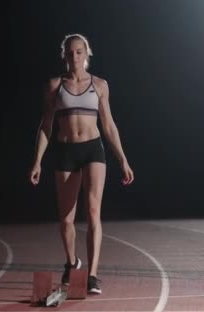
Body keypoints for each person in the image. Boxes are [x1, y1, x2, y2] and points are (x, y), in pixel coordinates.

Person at [29, 33, 134, 294]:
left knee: (94, 212)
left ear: (87, 53)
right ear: (64, 55)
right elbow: (46, 126)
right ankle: (71, 262)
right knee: (66, 219)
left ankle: (93, 274)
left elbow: (108, 125)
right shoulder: (54, 85)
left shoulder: (99, 84)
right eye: (69, 52)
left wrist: (123, 159)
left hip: (92, 149)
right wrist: (37, 162)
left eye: (79, 51)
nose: (74, 56)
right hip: (65, 150)